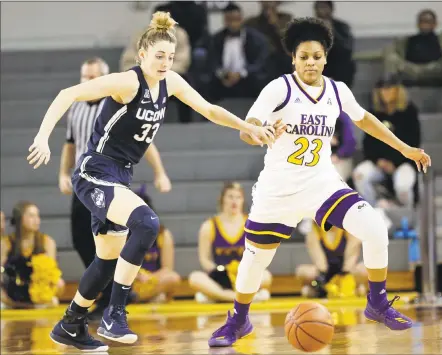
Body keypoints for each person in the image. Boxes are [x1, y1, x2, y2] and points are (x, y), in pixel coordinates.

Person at [27, 11, 275, 352]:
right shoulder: (127, 82)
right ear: (142, 54)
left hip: (119, 176)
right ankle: (115, 314)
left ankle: (70, 323)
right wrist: (43, 136)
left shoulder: (170, 82)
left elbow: (209, 109)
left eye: (170, 57)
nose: (165, 63)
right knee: (146, 222)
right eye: (159, 56)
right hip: (95, 172)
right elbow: (67, 94)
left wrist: (248, 127)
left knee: (105, 263)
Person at [207, 17, 431, 348]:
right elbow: (247, 128)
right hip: (278, 190)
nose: (310, 62)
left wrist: (404, 148)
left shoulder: (337, 90)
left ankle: (377, 302)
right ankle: (239, 319)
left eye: (316, 56)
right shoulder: (279, 88)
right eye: (303, 57)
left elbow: (365, 119)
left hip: (321, 183)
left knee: (374, 227)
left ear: (325, 57)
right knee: (255, 261)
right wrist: (260, 132)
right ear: (293, 59)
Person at [59, 57, 172, 319]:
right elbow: (70, 144)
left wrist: (160, 172)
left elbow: (147, 139)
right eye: (85, 77)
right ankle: (99, 302)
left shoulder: (119, 98)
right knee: (82, 238)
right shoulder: (76, 107)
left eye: (94, 77)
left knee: (130, 232)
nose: (89, 82)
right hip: (85, 177)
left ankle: (110, 303)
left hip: (110, 176)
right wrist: (62, 173)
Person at [382, 9, 442, 113]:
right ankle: (390, 99)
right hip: (413, 70)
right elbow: (384, 52)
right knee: (391, 58)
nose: (425, 24)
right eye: (422, 21)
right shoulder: (407, 41)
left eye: (428, 21)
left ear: (435, 24)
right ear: (418, 24)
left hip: (436, 70)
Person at [188, 182, 272, 303]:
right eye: (230, 197)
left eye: (238, 197)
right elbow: (204, 259)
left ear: (243, 200)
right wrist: (221, 272)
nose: (234, 201)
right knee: (194, 278)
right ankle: (238, 297)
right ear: (222, 199)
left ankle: (219, 297)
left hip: (245, 277)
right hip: (220, 277)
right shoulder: (209, 226)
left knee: (266, 276)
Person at [353, 76, 421, 208]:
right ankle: (374, 208)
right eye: (382, 90)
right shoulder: (373, 114)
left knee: (403, 185)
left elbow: (413, 143)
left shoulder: (409, 113)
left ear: (398, 91)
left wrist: (394, 162)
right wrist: (378, 160)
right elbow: (368, 143)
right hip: (379, 162)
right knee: (360, 175)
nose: (386, 93)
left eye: (389, 89)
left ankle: (406, 214)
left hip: (404, 162)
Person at [1, 201, 65, 309]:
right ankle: (17, 304)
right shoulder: (6, 242)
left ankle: (32, 304)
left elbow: (52, 273)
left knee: (60, 283)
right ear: (20, 219)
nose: (37, 220)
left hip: (36, 287)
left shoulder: (47, 242)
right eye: (31, 216)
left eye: (37, 216)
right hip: (13, 287)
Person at [206, 3, 270, 101]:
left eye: (237, 20)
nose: (233, 24)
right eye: (230, 20)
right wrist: (222, 74)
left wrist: (241, 74)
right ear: (225, 21)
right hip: (224, 78)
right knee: (207, 85)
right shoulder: (216, 39)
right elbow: (213, 61)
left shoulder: (256, 38)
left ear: (242, 19)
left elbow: (260, 62)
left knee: (261, 81)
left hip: (247, 76)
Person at [296, 221, 367, 298]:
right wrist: (324, 281)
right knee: (302, 271)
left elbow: (351, 257)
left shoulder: (349, 227)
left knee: (364, 269)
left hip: (345, 272)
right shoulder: (315, 230)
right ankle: (320, 290)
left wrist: (343, 277)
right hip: (324, 272)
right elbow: (319, 262)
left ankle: (355, 287)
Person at [314, 1, 356, 88]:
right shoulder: (310, 27)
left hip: (338, 64)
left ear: (331, 9)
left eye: (324, 7)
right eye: (319, 8)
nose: (321, 11)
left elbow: (347, 47)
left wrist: (332, 31)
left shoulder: (341, 26)